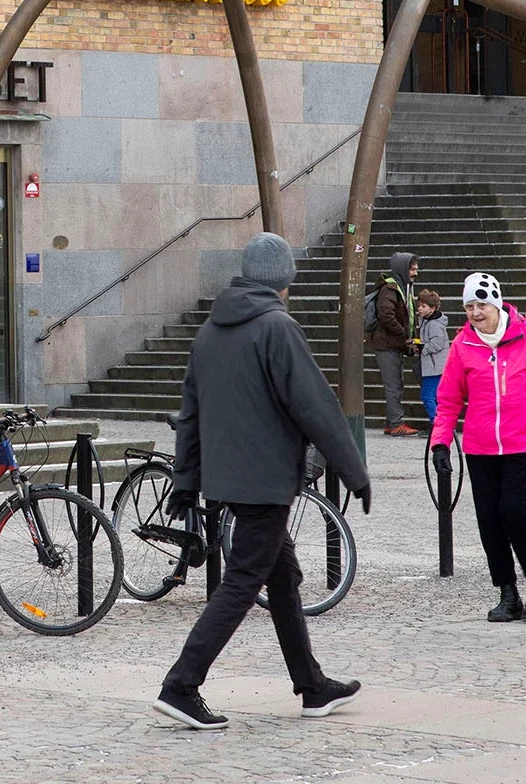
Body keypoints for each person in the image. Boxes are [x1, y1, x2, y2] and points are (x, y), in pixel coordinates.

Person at [152, 232, 371, 732]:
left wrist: (186, 482)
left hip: (230, 480)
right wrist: (355, 472)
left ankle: (312, 687)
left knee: (283, 577)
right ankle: (181, 686)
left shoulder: (210, 331)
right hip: (266, 483)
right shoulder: (277, 327)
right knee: (242, 583)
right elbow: (315, 406)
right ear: (284, 281)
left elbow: (191, 415)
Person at [430, 272, 526, 623]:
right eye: (469, 306)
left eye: (481, 304)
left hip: (523, 441)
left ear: (497, 303)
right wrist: (440, 442)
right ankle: (508, 592)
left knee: (513, 509)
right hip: (480, 445)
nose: (475, 312)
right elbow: (449, 399)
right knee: (488, 519)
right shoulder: (463, 345)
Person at [369, 251, 419, 435]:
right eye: (412, 269)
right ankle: (396, 423)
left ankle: (391, 422)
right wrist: (404, 334)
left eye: (416, 269)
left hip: (394, 344)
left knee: (396, 384)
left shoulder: (403, 287)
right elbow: (386, 315)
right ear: (402, 270)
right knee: (394, 385)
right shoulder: (390, 289)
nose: (415, 273)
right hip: (387, 345)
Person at [415, 288, 449, 422]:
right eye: (419, 306)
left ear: (433, 308)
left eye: (423, 306)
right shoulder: (426, 322)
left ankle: (437, 422)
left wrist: (422, 347)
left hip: (435, 366)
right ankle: (439, 422)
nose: (420, 309)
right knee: (434, 396)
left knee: (427, 396)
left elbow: (436, 344)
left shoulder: (434, 324)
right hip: (433, 365)